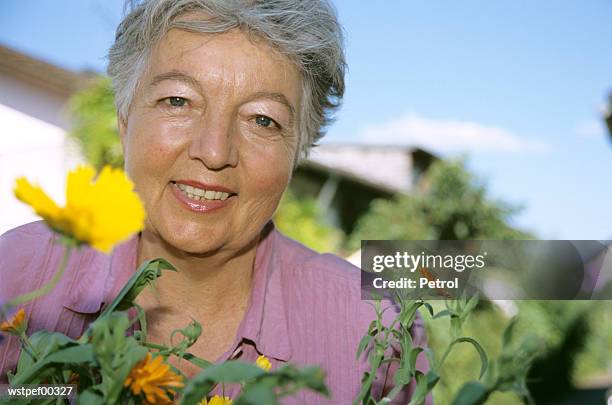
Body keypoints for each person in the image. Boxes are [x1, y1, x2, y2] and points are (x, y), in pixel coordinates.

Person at [0, 1, 430, 403]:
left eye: (262, 119)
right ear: (125, 117)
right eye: (178, 101)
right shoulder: (16, 275)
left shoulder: (376, 329)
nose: (214, 151)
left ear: (300, 148)